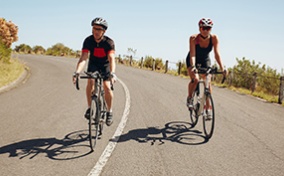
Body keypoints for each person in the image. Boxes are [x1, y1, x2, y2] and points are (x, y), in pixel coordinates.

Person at [73, 17, 117, 126]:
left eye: (99, 29)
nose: (96, 31)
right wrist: (77, 72)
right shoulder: (88, 41)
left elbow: (111, 59)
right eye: (94, 28)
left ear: (104, 31)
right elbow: (83, 58)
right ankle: (89, 108)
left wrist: (112, 73)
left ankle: (109, 111)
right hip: (93, 64)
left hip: (105, 65)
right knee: (90, 81)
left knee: (107, 87)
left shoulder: (108, 42)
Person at [186, 18, 226, 108]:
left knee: (207, 80)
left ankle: (207, 106)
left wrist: (222, 68)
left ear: (210, 29)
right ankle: (189, 97)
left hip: (205, 60)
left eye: (207, 28)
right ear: (199, 28)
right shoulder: (193, 38)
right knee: (195, 79)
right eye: (203, 28)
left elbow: (217, 54)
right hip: (193, 59)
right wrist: (193, 67)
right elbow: (192, 54)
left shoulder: (214, 38)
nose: (205, 30)